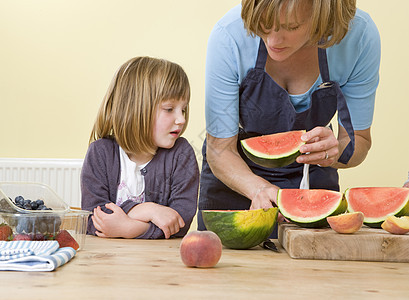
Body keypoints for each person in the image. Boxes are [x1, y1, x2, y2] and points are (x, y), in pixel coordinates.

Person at [198, 0, 381, 232]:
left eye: (291, 27)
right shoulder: (229, 36)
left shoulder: (359, 38)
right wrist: (257, 188)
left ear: (322, 18)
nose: (273, 41)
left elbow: (359, 142)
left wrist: (334, 153)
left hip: (311, 177)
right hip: (235, 175)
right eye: (264, 25)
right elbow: (219, 149)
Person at [81, 56, 199, 239]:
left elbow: (179, 222)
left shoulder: (181, 154)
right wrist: (147, 210)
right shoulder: (100, 153)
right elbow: (92, 219)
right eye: (169, 109)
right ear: (135, 109)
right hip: (106, 261)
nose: (181, 119)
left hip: (160, 262)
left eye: (183, 109)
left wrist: (132, 228)